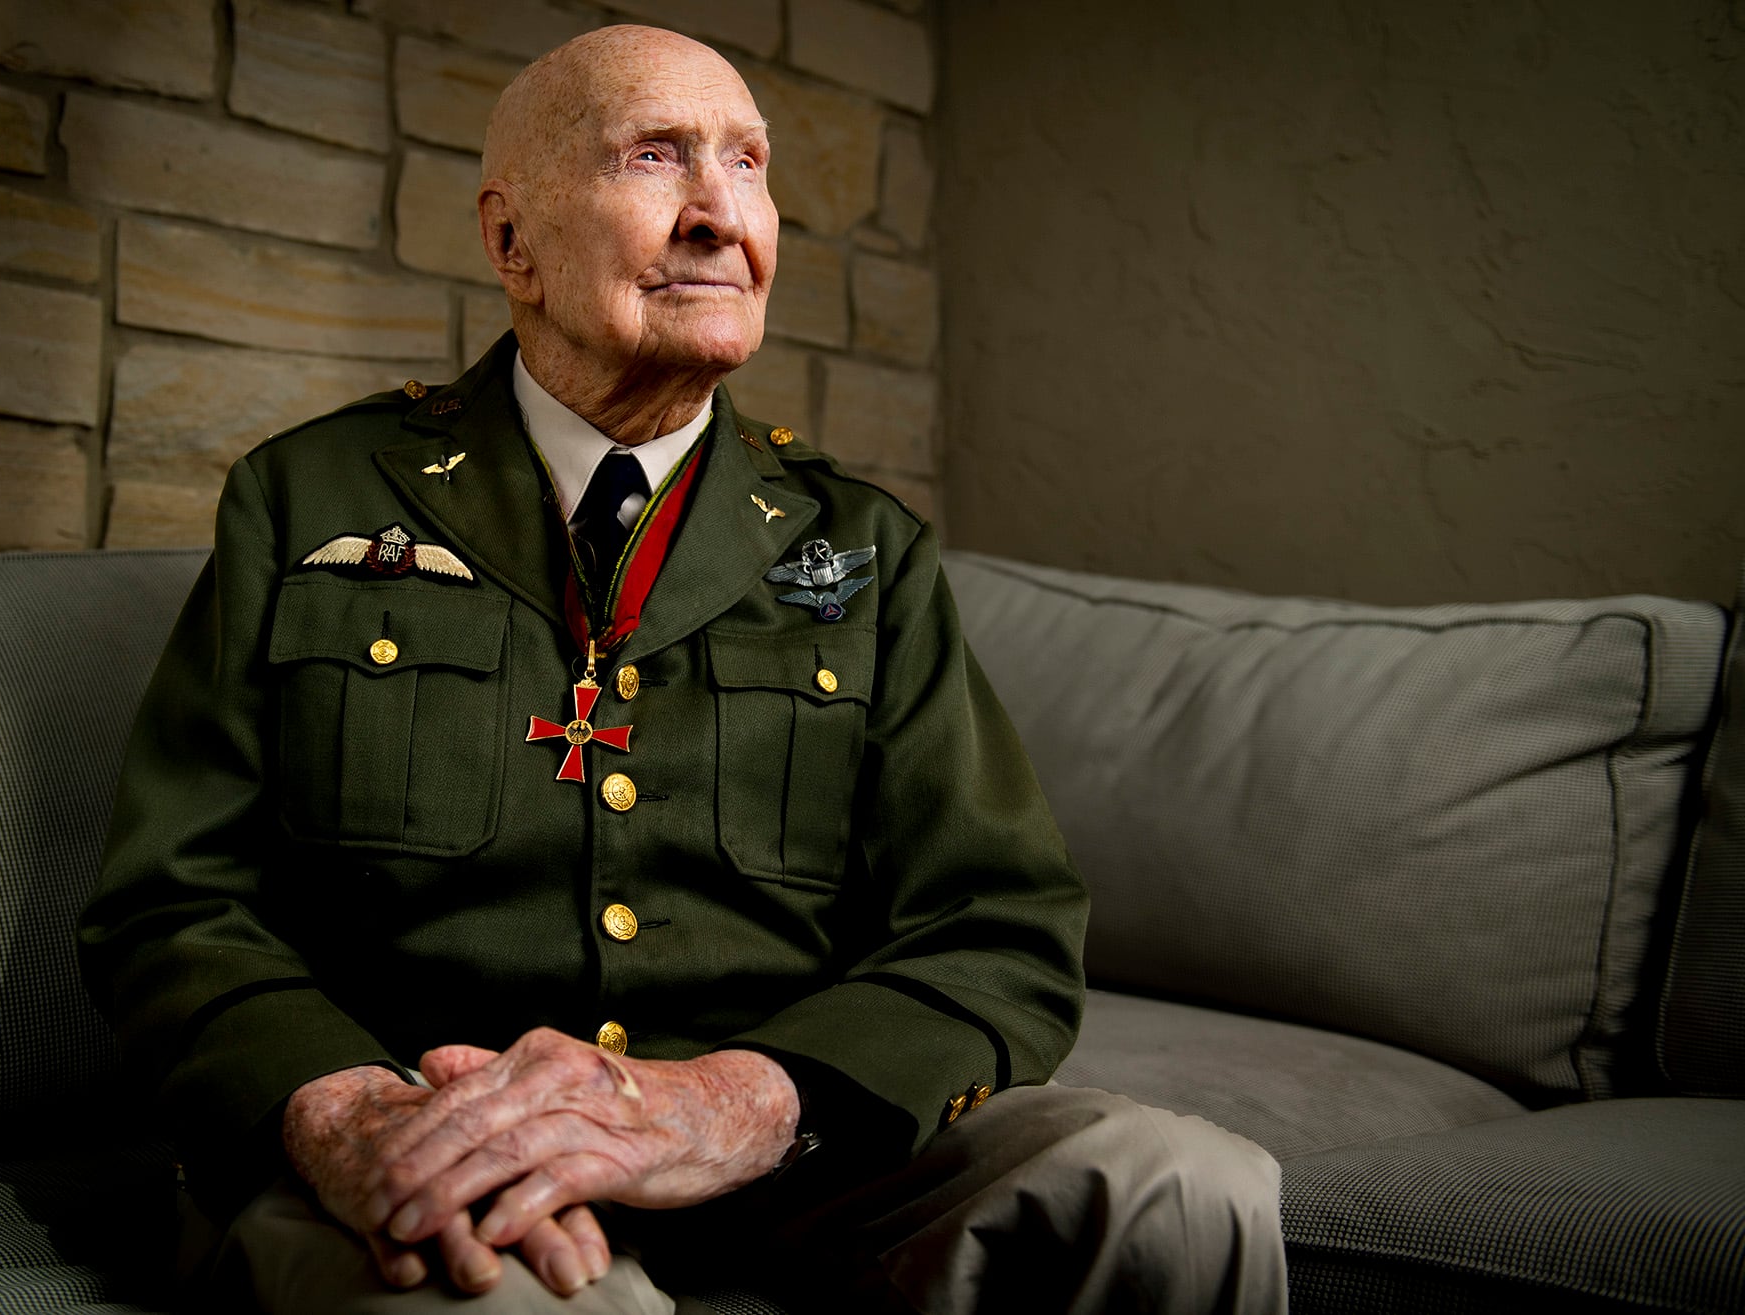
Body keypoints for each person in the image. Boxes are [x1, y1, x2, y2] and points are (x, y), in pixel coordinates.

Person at [79, 24, 1286, 1314]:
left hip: (779, 1149)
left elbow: (1001, 928)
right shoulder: (309, 497)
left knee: (1174, 1186)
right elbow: (172, 904)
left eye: (751, 167)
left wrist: (740, 1104)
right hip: (442, 1143)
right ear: (511, 242)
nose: (722, 215)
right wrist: (341, 1111)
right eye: (657, 157)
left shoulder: (859, 545)